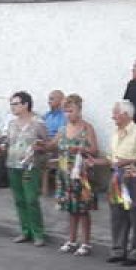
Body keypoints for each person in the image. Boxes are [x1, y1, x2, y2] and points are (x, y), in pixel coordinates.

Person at [50, 94, 99, 256]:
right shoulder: (63, 128)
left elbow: (94, 150)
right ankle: (71, 240)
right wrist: (40, 145)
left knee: (83, 209)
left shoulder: (87, 128)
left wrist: (80, 150)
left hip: (82, 174)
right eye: (65, 111)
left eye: (71, 111)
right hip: (65, 174)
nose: (67, 114)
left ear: (79, 110)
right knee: (71, 209)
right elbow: (52, 144)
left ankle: (86, 243)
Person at [0, 91, 49, 245]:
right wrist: (0, 147)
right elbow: (7, 141)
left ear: (25, 105)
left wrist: (40, 148)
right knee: (19, 200)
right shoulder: (12, 123)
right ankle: (25, 231)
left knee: (31, 199)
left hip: (30, 166)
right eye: (11, 104)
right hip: (13, 164)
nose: (12, 107)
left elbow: (46, 144)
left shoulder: (37, 123)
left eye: (15, 104)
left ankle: (38, 233)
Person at [106, 100, 136, 266]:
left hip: (133, 176)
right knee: (117, 214)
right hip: (116, 175)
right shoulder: (115, 133)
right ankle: (118, 249)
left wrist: (127, 161)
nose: (113, 116)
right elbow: (112, 157)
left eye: (115, 113)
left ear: (125, 114)